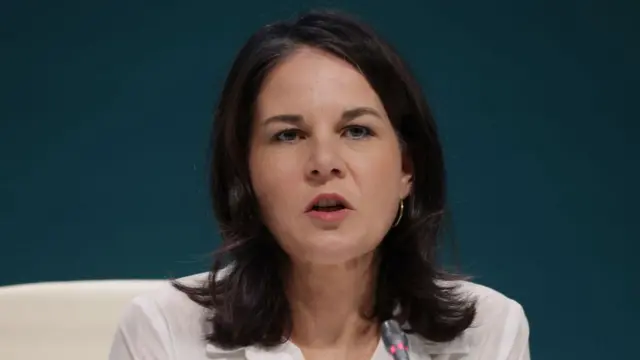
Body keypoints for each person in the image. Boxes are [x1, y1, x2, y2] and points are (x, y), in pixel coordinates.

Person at [109, 9, 530, 360]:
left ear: (406, 169)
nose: (324, 164)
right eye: (288, 135)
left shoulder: (484, 333)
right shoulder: (163, 334)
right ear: (245, 174)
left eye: (357, 131)